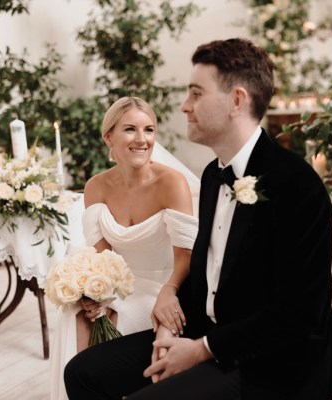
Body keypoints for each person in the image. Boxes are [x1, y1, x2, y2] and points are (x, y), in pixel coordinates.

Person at [64, 38, 332, 399]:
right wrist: (166, 326)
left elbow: (297, 315)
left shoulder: (296, 185)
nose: (184, 107)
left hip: (273, 361)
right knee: (82, 372)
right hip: (203, 331)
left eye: (195, 94)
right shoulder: (212, 176)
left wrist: (204, 349)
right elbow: (207, 282)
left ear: (236, 101)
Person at [49, 96, 200, 400]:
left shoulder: (172, 183)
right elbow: (102, 257)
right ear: (109, 137)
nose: (142, 139)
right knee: (77, 312)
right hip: (123, 283)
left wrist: (168, 290)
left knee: (114, 316)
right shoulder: (96, 186)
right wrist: (96, 292)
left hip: (166, 286)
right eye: (130, 129)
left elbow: (187, 257)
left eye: (149, 130)